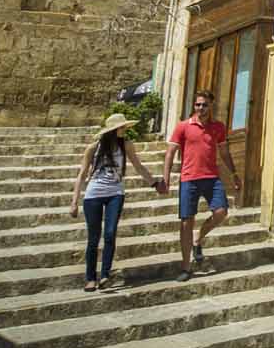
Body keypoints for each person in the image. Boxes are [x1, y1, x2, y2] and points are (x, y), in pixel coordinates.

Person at [70, 113, 166, 291]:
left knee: (110, 232)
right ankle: (90, 278)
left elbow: (138, 166)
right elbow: (82, 174)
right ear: (113, 130)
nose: (124, 130)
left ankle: (105, 275)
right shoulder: (94, 147)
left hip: (115, 193)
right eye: (122, 127)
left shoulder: (126, 145)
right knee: (93, 238)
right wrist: (74, 201)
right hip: (93, 194)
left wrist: (154, 183)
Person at [163, 90, 241, 282]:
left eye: (205, 105)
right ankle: (186, 266)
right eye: (198, 104)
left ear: (211, 106)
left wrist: (234, 174)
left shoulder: (218, 127)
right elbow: (170, 152)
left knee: (221, 212)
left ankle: (198, 238)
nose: (201, 108)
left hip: (212, 178)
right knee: (186, 222)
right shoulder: (183, 126)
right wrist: (165, 179)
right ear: (194, 106)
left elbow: (224, 153)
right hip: (189, 179)